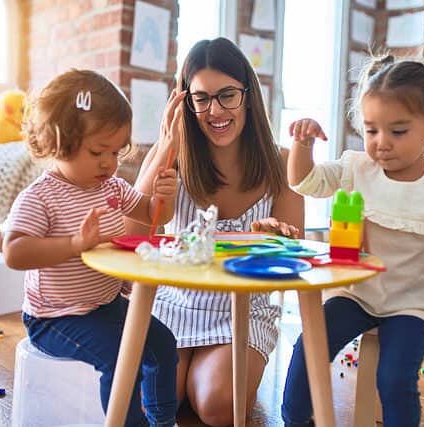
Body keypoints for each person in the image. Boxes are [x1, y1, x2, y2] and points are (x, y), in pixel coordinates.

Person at [281, 38, 424, 427]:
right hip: (355, 295)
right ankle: (296, 419)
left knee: (394, 381)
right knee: (308, 346)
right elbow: (303, 181)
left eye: (397, 131)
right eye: (372, 130)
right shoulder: (356, 166)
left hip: (412, 305)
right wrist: (302, 144)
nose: (381, 143)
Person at [125, 37, 304, 426]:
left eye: (227, 95)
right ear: (185, 101)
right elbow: (130, 232)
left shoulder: (282, 163)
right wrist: (164, 147)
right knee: (150, 399)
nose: (215, 110)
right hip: (172, 304)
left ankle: (198, 378)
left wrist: (271, 238)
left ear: (248, 95)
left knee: (217, 405)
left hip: (242, 308)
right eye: (201, 98)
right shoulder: (173, 155)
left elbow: (294, 253)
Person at [3, 69, 179, 427]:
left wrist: (165, 197)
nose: (109, 163)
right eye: (98, 151)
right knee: (119, 357)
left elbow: (149, 213)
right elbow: (14, 252)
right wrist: (74, 244)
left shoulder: (112, 188)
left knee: (163, 344)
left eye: (116, 151)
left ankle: (163, 420)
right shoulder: (41, 198)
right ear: (59, 143)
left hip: (105, 306)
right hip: (55, 317)